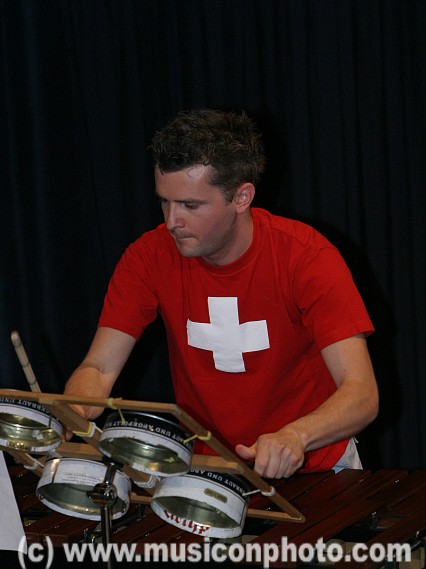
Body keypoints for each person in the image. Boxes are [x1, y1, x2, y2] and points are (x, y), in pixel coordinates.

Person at [65, 108, 378, 479]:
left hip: (317, 465)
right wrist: (75, 409)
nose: (172, 221)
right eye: (164, 201)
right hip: (208, 470)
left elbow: (362, 394)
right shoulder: (147, 257)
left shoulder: (307, 258)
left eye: (190, 205)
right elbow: (99, 368)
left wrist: (297, 435)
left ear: (242, 197)